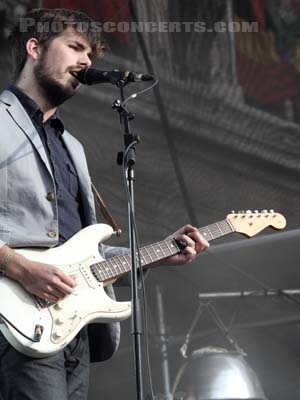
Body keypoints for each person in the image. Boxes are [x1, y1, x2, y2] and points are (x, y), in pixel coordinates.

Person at [0, 8, 209, 399]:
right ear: (34, 48)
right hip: (13, 319)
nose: (86, 61)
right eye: (75, 47)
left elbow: (82, 251)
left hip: (71, 331)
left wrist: (159, 253)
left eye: (92, 55)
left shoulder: (72, 148)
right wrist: (20, 267)